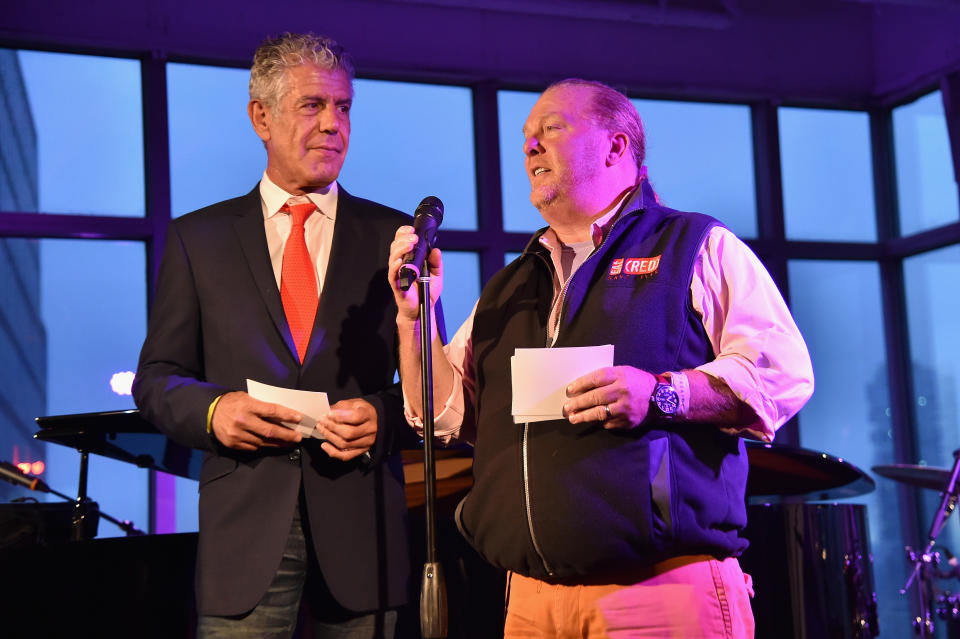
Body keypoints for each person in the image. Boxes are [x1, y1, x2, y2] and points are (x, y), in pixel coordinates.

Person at [388, 78, 814, 637]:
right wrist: (416, 318)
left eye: (552, 129)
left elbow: (779, 374)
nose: (530, 146)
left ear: (616, 147)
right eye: (526, 137)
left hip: (658, 595)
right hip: (530, 604)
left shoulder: (694, 246)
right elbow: (441, 416)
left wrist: (661, 393)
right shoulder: (508, 286)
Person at [134, 33, 411, 638]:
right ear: (261, 116)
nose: (333, 124)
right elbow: (156, 378)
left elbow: (429, 393)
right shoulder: (196, 240)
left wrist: (382, 417)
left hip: (364, 530)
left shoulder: (396, 238)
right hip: (246, 529)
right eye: (312, 105)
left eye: (343, 107)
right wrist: (214, 410)